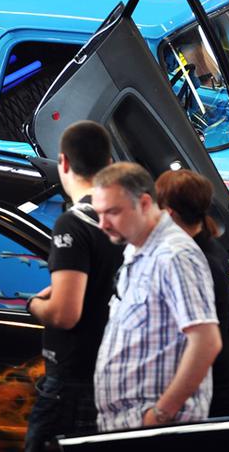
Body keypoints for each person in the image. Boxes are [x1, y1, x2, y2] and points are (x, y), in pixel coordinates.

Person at [92, 162, 221, 431]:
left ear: (144, 203)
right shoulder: (136, 247)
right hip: (129, 424)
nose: (103, 224)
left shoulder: (174, 255)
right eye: (99, 213)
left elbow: (206, 342)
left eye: (112, 212)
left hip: (156, 427)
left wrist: (160, 414)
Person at [24, 121, 124, 452]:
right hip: (116, 374)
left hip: (74, 381)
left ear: (64, 162)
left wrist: (34, 305)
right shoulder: (126, 218)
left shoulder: (74, 223)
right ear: (109, 163)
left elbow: (65, 315)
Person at [155, 169, 229, 418]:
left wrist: (162, 411)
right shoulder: (211, 246)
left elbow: (204, 341)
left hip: (211, 388)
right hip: (222, 377)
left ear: (169, 213)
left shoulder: (194, 260)